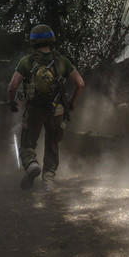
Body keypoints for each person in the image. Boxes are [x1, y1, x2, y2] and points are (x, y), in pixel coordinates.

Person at [7, 24, 84, 192]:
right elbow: (80, 83)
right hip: (57, 111)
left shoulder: (26, 61)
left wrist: (11, 102)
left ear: (33, 42)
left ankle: (32, 165)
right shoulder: (61, 60)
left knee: (27, 144)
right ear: (51, 40)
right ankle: (48, 180)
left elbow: (12, 86)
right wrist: (72, 101)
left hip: (34, 110)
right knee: (52, 145)